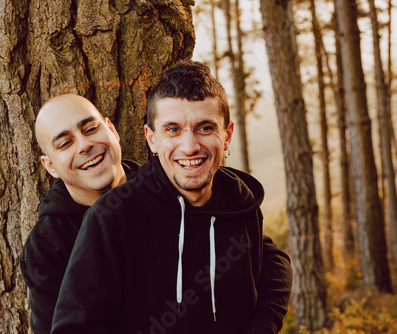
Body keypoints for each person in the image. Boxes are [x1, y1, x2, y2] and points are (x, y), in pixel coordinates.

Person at [52, 61, 292, 334]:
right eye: (173, 130)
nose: (190, 147)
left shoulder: (240, 203)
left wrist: (265, 324)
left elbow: (271, 266)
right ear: (151, 139)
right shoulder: (113, 218)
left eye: (205, 128)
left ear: (227, 135)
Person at [20, 94, 139, 334]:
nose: (84, 145)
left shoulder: (169, 193)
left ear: (112, 130)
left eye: (91, 129)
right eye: (65, 143)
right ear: (50, 166)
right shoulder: (45, 248)